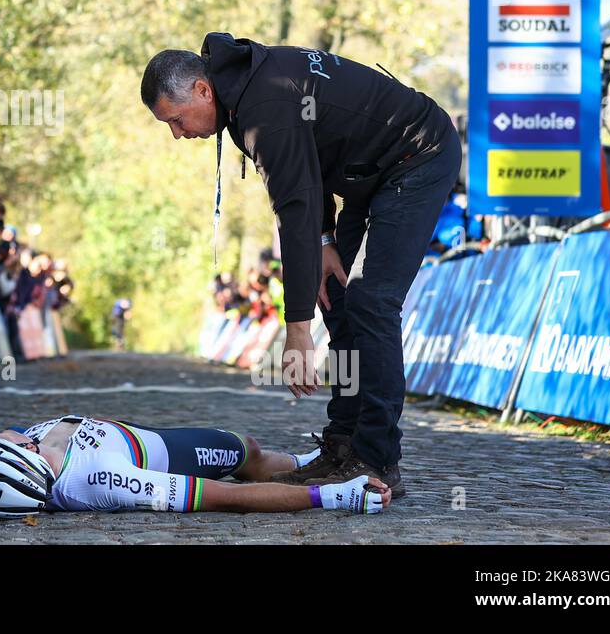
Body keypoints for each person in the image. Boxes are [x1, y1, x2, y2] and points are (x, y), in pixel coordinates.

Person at [141, 34, 461, 497]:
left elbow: (295, 208)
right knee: (340, 297)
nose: (177, 133)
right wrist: (327, 239)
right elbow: (311, 171)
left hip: (418, 155)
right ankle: (343, 445)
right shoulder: (242, 92)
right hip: (368, 171)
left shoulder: (261, 104)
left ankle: (376, 458)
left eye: (176, 119)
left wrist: (296, 330)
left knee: (371, 301)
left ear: (202, 91)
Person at [0, 415, 389, 516]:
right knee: (241, 453)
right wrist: (331, 498)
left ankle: (301, 460)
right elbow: (226, 500)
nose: (0, 436)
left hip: (108, 432)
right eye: (3, 441)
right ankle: (308, 467)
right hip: (150, 451)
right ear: (25, 458)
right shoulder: (98, 482)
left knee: (242, 454)